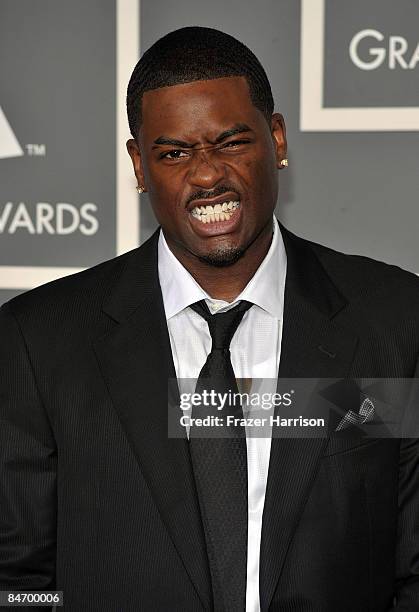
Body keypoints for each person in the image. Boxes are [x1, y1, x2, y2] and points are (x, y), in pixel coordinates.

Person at [0, 25, 418, 612]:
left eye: (230, 142)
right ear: (139, 164)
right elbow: (15, 581)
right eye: (174, 152)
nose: (206, 175)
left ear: (276, 139)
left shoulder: (395, 322)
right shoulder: (39, 341)